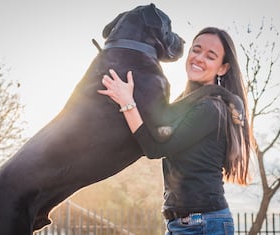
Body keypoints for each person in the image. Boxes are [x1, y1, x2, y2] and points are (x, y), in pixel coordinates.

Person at [98, 27, 251, 235]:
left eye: (210, 56)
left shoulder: (211, 109)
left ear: (222, 68)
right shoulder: (187, 102)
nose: (199, 58)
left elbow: (155, 148)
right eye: (196, 50)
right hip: (182, 224)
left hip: (203, 225)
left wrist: (127, 103)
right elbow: (155, 127)